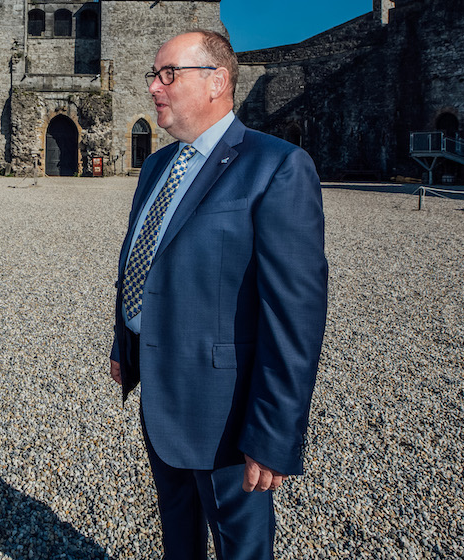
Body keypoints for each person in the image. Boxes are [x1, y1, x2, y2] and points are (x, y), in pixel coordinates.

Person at [109, 30, 328, 559]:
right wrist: (126, 342)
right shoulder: (160, 166)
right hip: (162, 393)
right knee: (178, 540)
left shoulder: (276, 166)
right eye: (153, 76)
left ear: (217, 82)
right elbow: (144, 259)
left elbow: (294, 315)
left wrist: (273, 434)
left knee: (240, 547)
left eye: (168, 75)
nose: (154, 88)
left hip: (226, 410)